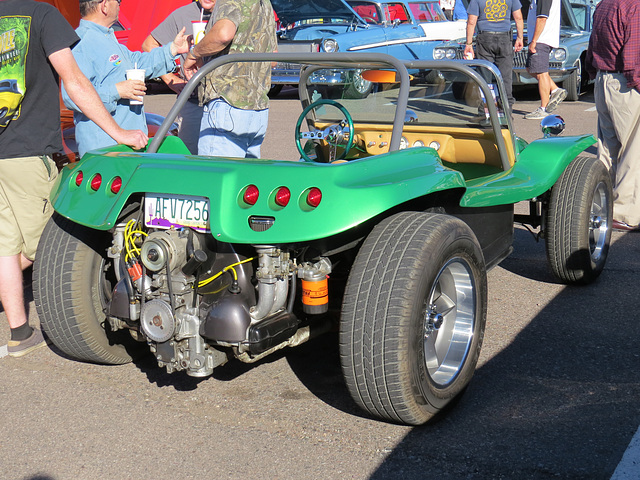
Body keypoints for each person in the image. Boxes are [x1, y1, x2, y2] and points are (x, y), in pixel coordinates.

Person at [0, 0, 147, 357]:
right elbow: (75, 82)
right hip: (26, 151)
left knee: (7, 247)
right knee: (53, 246)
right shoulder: (41, 14)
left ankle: (20, 331)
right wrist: (119, 133)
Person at [62, 0, 190, 157]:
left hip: (128, 145)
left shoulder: (106, 37)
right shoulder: (81, 42)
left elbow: (139, 62)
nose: (119, 5)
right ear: (104, 6)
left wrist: (172, 49)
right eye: (118, 1)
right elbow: (72, 97)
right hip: (104, 149)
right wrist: (117, 91)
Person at [183, 0, 277, 159]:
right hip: (257, 110)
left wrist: (195, 52)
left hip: (227, 103)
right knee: (245, 181)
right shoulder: (264, 4)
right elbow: (273, 57)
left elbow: (223, 34)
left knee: (216, 179)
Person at [585, 0, 640, 231]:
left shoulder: (604, 4)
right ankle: (624, 212)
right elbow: (633, 56)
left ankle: (602, 205)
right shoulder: (633, 5)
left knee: (608, 149)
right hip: (624, 84)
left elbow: (592, 45)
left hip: (602, 79)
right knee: (632, 152)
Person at [141, 0, 216, 154]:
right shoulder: (182, 14)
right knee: (189, 162)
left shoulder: (231, 13)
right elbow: (148, 45)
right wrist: (171, 80)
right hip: (193, 104)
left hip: (226, 105)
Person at [464, 0, 524, 111]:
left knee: (484, 76)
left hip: (485, 38)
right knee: (505, 77)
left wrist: (469, 44)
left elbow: (471, 22)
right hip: (505, 38)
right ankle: (506, 113)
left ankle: (486, 114)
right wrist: (519, 38)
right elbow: (518, 17)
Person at [522, 0, 567, 119]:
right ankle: (555, 90)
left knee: (542, 73)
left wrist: (534, 40)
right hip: (540, 38)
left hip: (542, 39)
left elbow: (542, 18)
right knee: (530, 68)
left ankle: (543, 109)